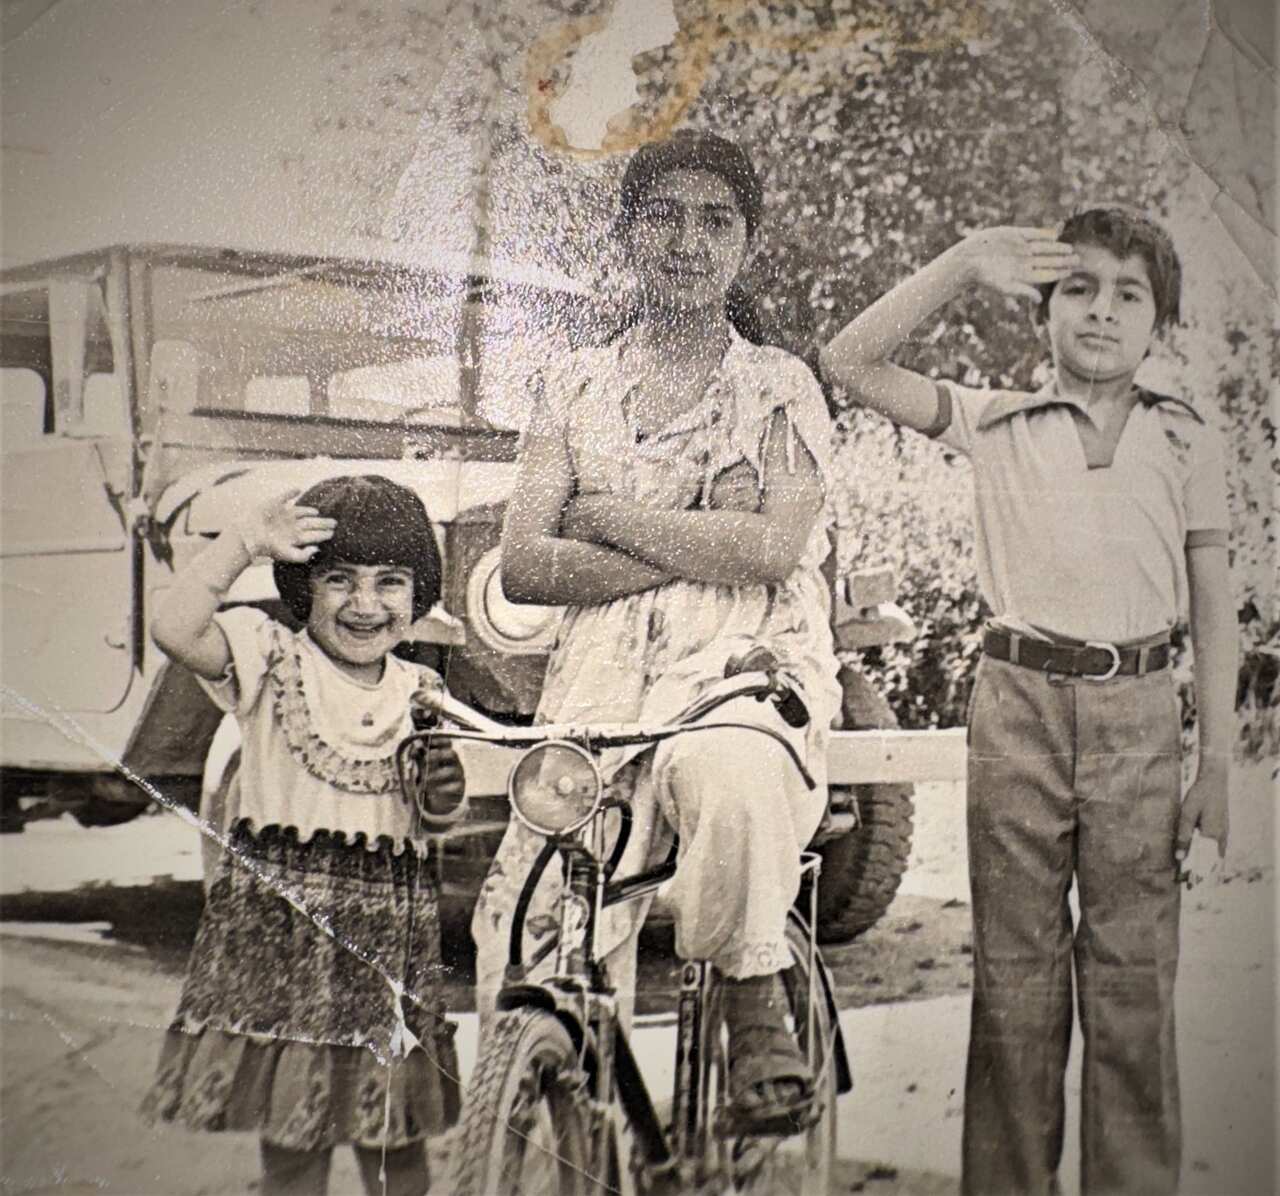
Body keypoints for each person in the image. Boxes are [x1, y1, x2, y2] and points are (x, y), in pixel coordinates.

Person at [820, 209, 1235, 1195]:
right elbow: (846, 359)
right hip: (1015, 708)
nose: (1100, 312)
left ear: (1158, 324)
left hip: (1138, 711)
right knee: (1012, 983)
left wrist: (1213, 762)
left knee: (1133, 987)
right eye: (1076, 288)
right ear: (1040, 311)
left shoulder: (1185, 438)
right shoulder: (991, 419)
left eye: (1127, 294)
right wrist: (965, 263)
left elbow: (1212, 605)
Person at [472, 130, 843, 1129]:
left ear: (746, 245)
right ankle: (542, 1116)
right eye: (664, 214)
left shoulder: (779, 385)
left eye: (715, 218)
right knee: (528, 916)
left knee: (722, 772)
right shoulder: (573, 384)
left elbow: (768, 553)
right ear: (630, 232)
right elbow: (522, 563)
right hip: (597, 685)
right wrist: (696, 530)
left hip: (738, 664)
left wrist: (598, 515)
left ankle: (752, 985)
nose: (687, 239)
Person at [142, 476, 463, 1196]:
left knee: (395, 1143)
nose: (365, 603)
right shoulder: (267, 657)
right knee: (293, 1140)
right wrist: (244, 544)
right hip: (282, 938)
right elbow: (173, 628)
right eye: (338, 580)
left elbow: (437, 816)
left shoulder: (421, 690)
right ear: (302, 588)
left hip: (384, 945)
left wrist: (443, 794)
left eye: (391, 582)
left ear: (419, 595)